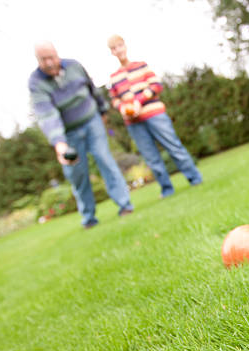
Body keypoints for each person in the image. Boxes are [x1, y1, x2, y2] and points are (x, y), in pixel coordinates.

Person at [29, 41, 133, 229]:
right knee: (77, 173)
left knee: (105, 159)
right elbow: (47, 114)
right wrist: (59, 143)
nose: (50, 63)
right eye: (44, 60)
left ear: (57, 54)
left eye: (51, 57)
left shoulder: (74, 66)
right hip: (68, 132)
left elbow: (92, 89)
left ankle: (125, 206)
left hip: (91, 120)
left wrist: (102, 111)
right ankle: (89, 218)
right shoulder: (36, 82)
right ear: (38, 61)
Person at [106, 34, 202, 198]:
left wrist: (139, 100)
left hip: (154, 114)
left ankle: (195, 179)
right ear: (112, 52)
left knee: (173, 146)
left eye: (120, 46)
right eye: (114, 48)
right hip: (133, 122)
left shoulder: (141, 66)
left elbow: (156, 85)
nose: (118, 50)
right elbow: (114, 99)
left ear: (125, 46)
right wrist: (122, 107)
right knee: (151, 157)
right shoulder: (114, 77)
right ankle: (166, 189)